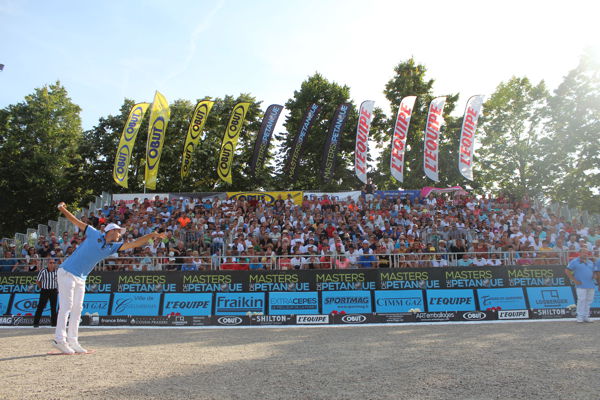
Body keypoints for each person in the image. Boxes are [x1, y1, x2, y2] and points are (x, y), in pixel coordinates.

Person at [52, 202, 166, 354]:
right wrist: (62, 208)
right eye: (119, 232)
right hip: (67, 271)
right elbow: (75, 221)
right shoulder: (94, 233)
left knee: (78, 308)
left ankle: (73, 341)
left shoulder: (113, 246)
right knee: (67, 306)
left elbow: (134, 244)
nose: (120, 234)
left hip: (81, 277)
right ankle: (59, 340)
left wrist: (152, 235)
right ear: (111, 231)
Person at [565, 250, 599, 323]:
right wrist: (574, 280)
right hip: (580, 285)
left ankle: (586, 317)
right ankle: (579, 317)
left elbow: (594, 272)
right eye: (583, 253)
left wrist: (594, 276)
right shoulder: (574, 261)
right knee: (581, 300)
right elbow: (567, 271)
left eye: (586, 253)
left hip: (591, 284)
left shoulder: (590, 262)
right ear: (579, 253)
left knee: (589, 301)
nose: (585, 254)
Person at [33, 259, 58, 328]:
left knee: (53, 307)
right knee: (40, 307)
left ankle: (54, 324)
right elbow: (38, 281)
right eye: (50, 263)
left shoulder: (57, 272)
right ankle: (36, 323)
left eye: (53, 263)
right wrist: (42, 287)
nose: (52, 264)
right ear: (47, 264)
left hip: (53, 291)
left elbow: (59, 282)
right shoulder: (43, 271)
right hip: (45, 291)